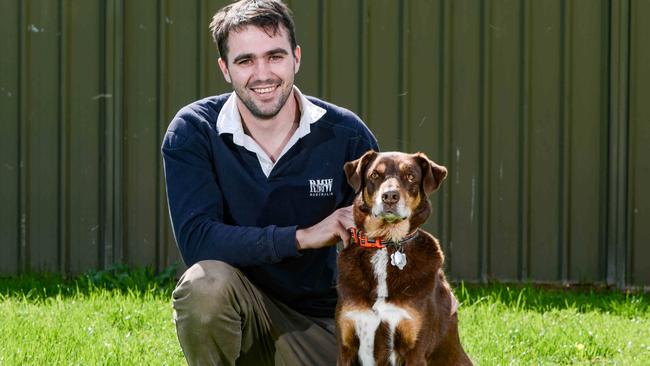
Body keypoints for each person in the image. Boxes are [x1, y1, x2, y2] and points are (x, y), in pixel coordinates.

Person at [161, 0, 378, 364]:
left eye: (274, 56)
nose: (262, 74)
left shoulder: (346, 136)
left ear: (296, 58)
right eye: (245, 61)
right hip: (240, 311)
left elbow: (384, 241)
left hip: (322, 320)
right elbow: (199, 240)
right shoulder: (194, 130)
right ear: (225, 69)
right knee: (205, 286)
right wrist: (302, 236)